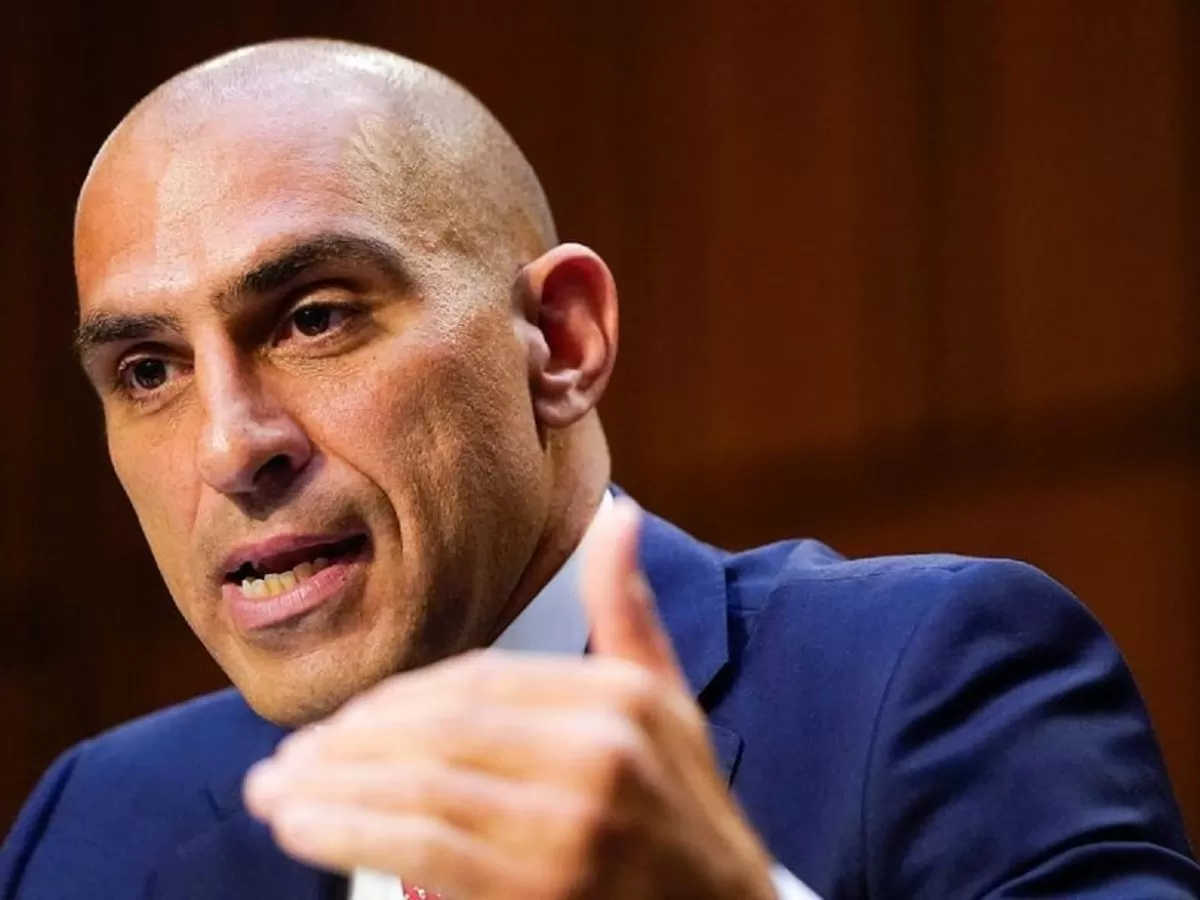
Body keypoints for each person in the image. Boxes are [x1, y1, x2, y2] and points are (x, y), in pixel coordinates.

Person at [1, 37, 1196, 900]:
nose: (230, 447)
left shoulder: (932, 682)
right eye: (149, 371)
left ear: (561, 342)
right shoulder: (98, 830)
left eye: (314, 319)